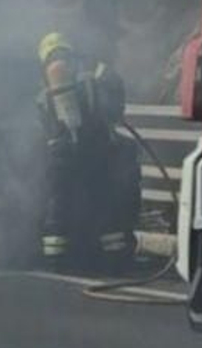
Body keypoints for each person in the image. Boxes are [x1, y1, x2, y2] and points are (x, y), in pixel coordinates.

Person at [36, 31, 139, 271]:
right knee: (104, 200)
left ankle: (55, 258)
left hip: (60, 152)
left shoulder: (44, 88)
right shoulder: (93, 73)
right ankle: (115, 257)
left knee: (58, 202)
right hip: (95, 148)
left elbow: (46, 124)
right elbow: (114, 106)